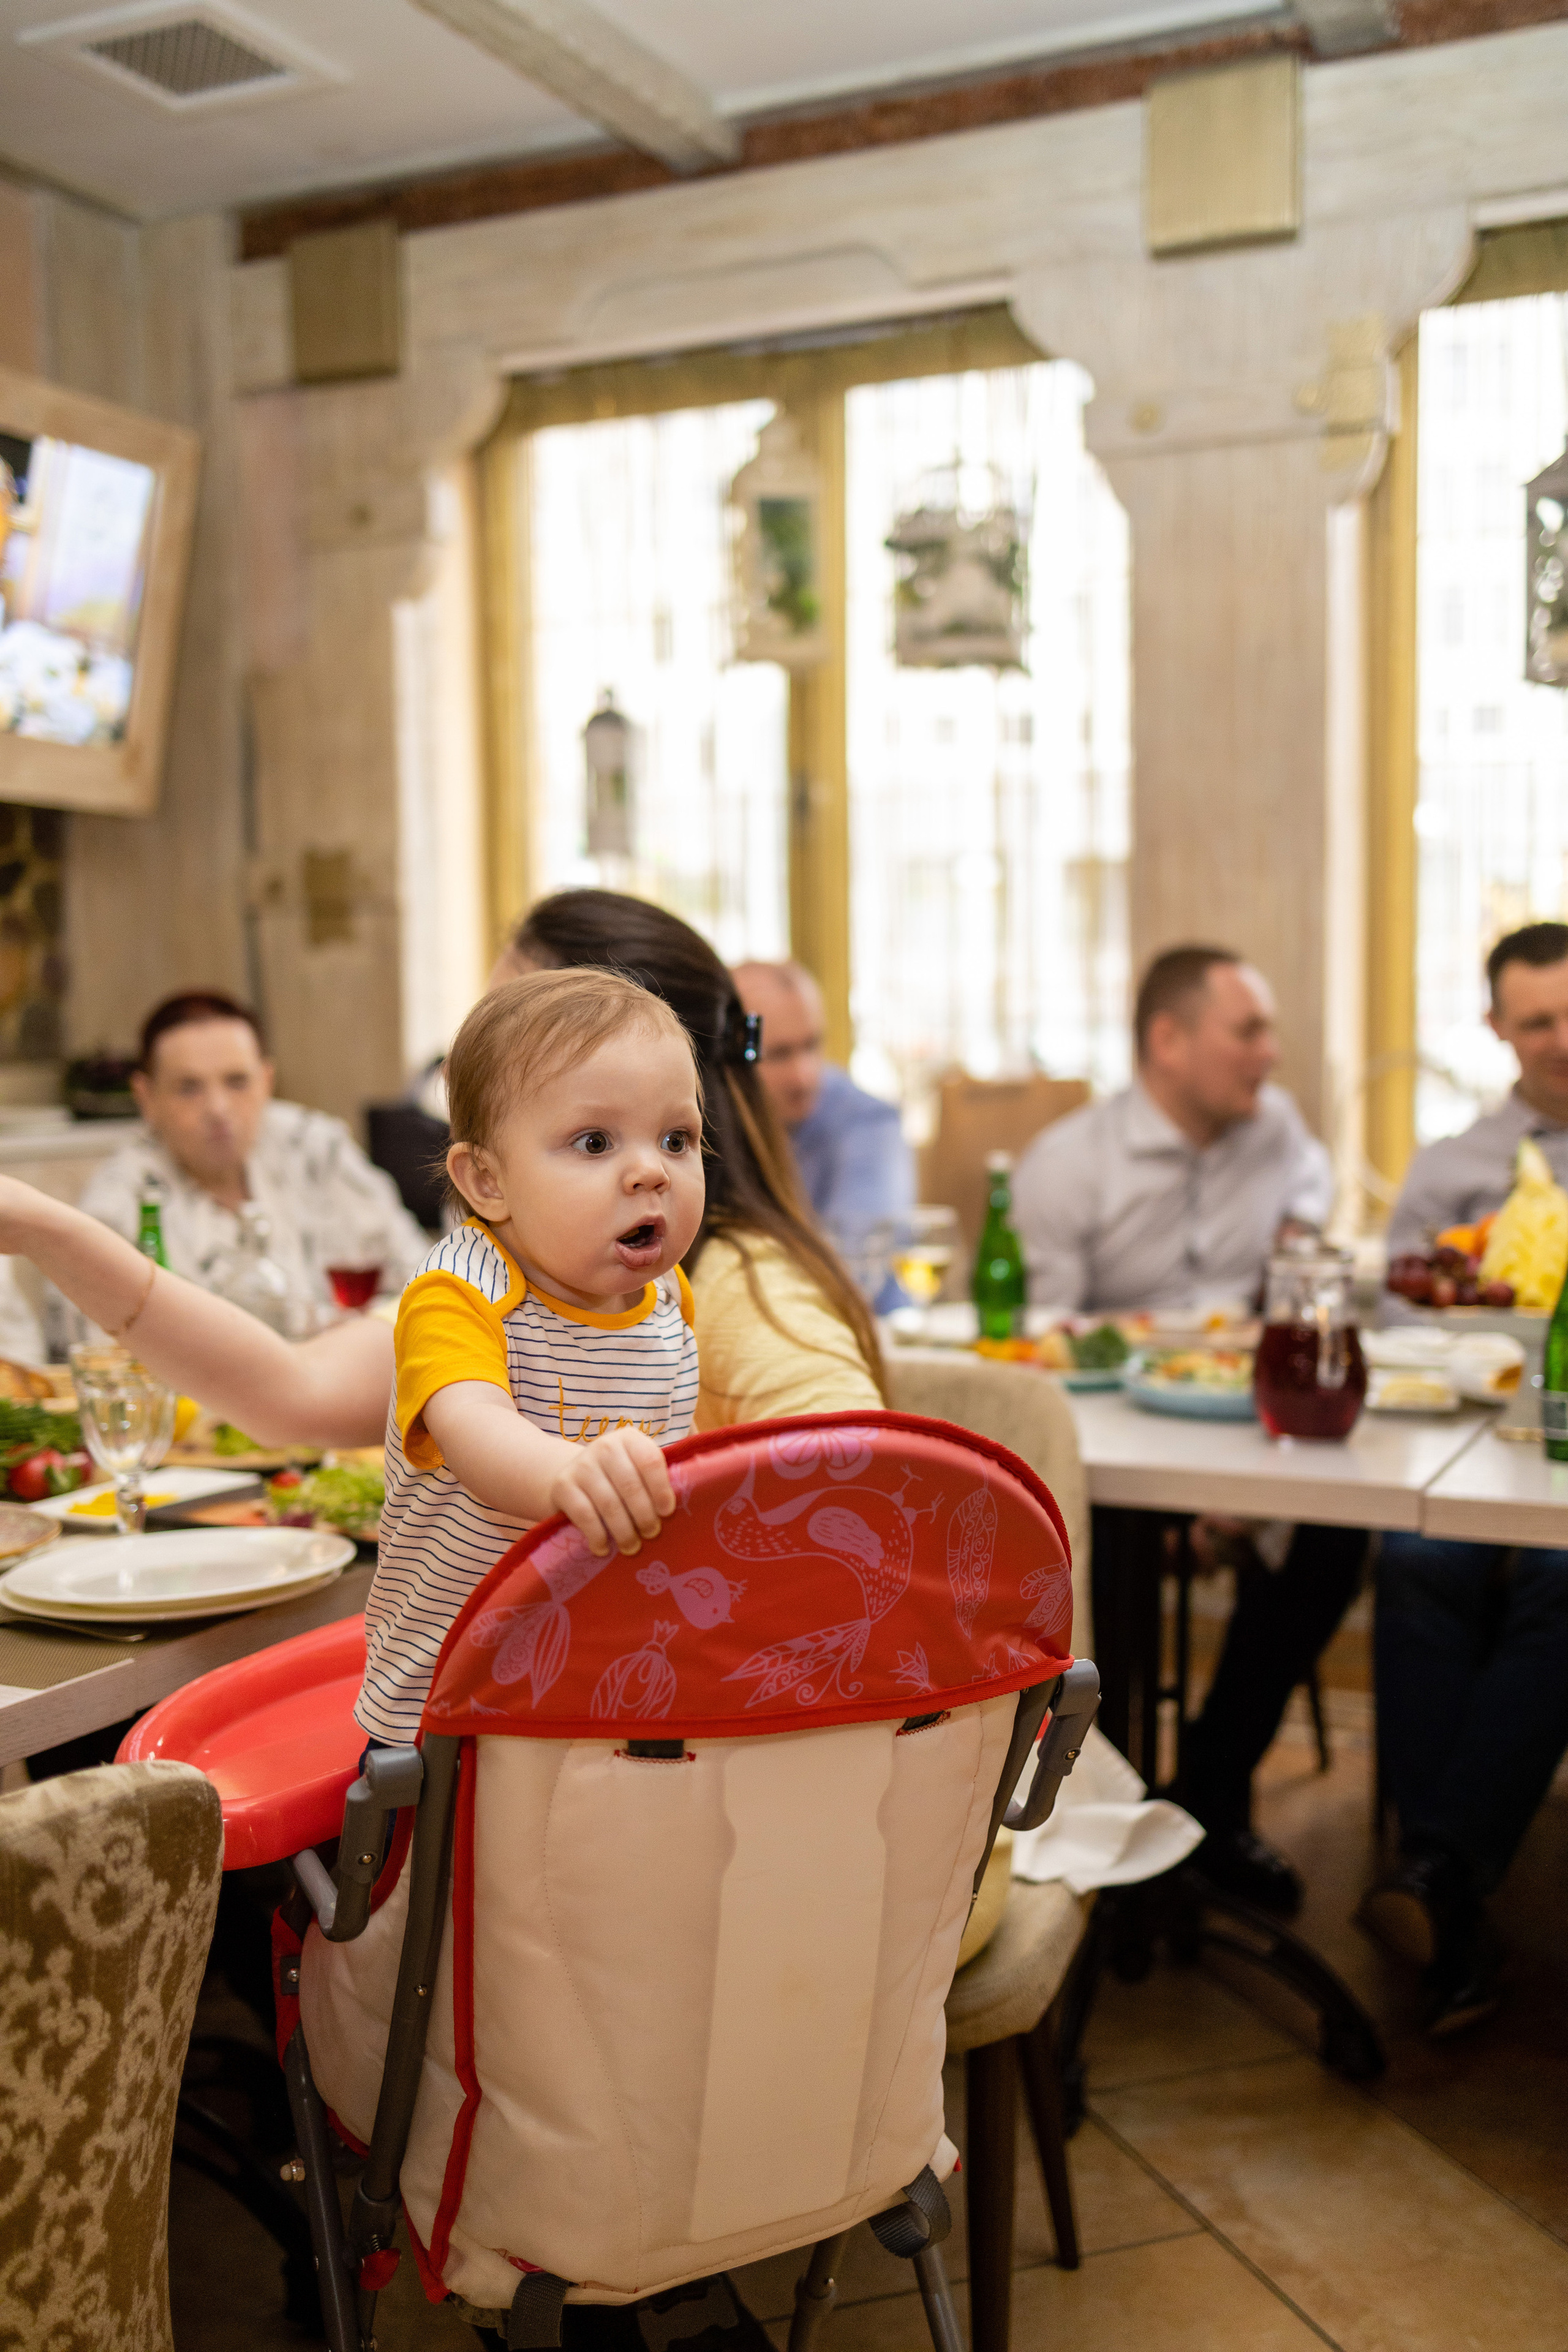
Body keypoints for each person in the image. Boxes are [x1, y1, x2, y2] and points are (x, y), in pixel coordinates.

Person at [1013, 944, 1361, 1916]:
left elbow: (1312, 1206)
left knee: (1336, 1532)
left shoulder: (1275, 1130)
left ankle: (1207, 1795)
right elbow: (1045, 1348)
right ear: (1168, 1040)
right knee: (1092, 1552)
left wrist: (1299, 1232)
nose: (1271, 1053)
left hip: (1243, 1432)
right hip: (1113, 1453)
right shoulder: (1068, 1165)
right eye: (1249, 1031)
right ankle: (1104, 1818)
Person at [361, 968, 704, 1744]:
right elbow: (474, 1429)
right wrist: (567, 1475)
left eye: (677, 1140)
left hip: (604, 1679)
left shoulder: (667, 1298)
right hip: (451, 1701)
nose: (652, 1170)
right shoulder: (460, 1293)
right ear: (488, 1181)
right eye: (595, 1142)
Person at [1362, 921, 1568, 2035]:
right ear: (1497, 1028)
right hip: (1469, 1444)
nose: (1561, 1039)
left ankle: (1436, 1875)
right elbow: (1395, 1320)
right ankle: (1448, 1886)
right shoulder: (1450, 1168)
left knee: (1563, 1581)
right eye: (1538, 1021)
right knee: (1417, 1559)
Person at [76, 989, 428, 1317]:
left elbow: (421, 1280)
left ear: (266, 1081)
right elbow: (101, 1341)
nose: (218, 1109)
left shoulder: (317, 1147)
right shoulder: (118, 1202)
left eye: (237, 1082)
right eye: (189, 1087)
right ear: (146, 1097)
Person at [731, 958, 913, 1242]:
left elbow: (859, 1257)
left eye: (812, 1045)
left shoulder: (868, 1120)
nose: (803, 1077)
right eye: (779, 1054)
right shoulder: (709, 1116)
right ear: (731, 1057)